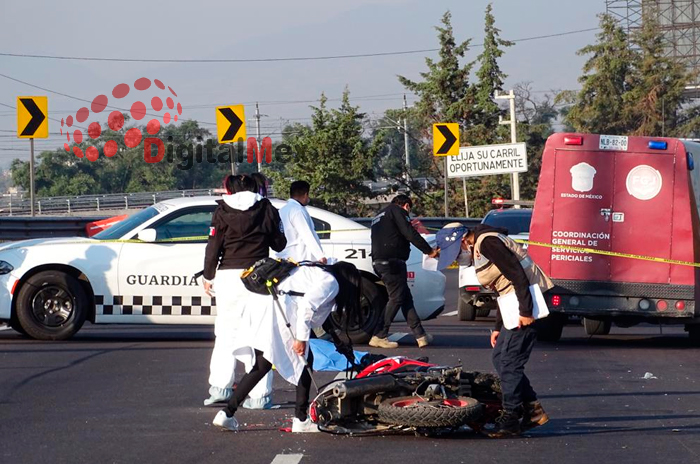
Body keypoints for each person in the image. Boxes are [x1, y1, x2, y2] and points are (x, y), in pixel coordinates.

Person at [213, 260, 362, 433]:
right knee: (305, 362)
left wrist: (336, 341)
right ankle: (301, 419)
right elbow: (307, 307)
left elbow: (318, 312)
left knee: (262, 365)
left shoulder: (317, 273)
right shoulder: (331, 282)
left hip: (261, 305)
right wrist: (301, 338)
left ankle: (226, 413)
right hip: (276, 309)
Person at [436, 222, 554, 438]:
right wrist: (497, 327)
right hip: (515, 303)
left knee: (509, 361)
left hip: (530, 301)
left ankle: (511, 418)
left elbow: (518, 275)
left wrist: (526, 312)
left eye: (455, 253)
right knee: (500, 356)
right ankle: (533, 410)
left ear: (463, 241)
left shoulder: (488, 242)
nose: (457, 259)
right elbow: (503, 288)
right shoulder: (480, 246)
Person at [202, 174, 285, 409]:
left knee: (226, 333)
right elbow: (280, 244)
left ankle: (220, 388)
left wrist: (209, 276)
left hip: (228, 278)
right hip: (258, 276)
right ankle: (260, 396)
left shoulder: (221, 210)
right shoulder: (266, 207)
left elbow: (213, 247)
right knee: (262, 335)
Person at [369, 194, 439, 349]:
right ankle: (379, 335)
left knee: (404, 297)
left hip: (379, 261)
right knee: (396, 297)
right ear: (406, 206)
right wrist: (429, 251)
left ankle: (420, 335)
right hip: (392, 262)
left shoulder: (379, 215)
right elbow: (410, 233)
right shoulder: (397, 211)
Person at [275, 180, 326, 264]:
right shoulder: (298, 211)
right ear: (306, 195)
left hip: (286, 257)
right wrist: (320, 256)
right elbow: (307, 234)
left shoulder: (282, 210)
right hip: (301, 257)